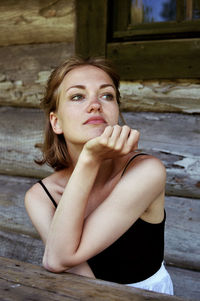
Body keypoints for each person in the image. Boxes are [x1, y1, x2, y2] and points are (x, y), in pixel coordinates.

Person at [25, 56, 173, 295]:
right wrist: (89, 160)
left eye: (107, 95)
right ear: (56, 122)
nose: (95, 104)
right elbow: (61, 261)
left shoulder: (146, 171)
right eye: (77, 96)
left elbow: (58, 260)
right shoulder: (41, 196)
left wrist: (90, 158)